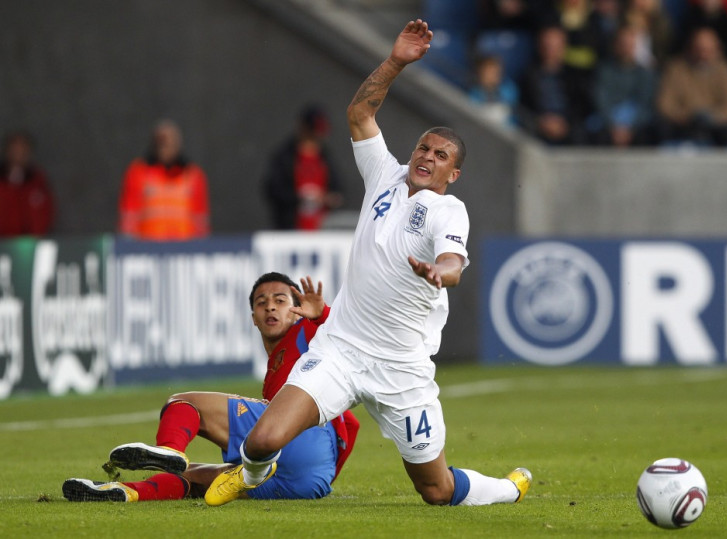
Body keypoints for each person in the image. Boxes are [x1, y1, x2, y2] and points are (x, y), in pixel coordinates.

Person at [205, 19, 531, 509]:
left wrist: (437, 273)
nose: (427, 156)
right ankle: (250, 476)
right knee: (262, 441)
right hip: (341, 348)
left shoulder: (447, 209)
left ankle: (508, 488)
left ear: (453, 173)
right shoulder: (384, 173)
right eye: (424, 146)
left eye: (441, 155)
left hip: (402, 368)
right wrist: (396, 60)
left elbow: (453, 264)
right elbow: (360, 112)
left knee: (436, 491)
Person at [62, 273, 359, 502]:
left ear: (297, 310)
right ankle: (124, 491)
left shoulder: (309, 334)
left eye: (280, 300)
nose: (270, 306)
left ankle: (170, 449)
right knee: (197, 478)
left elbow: (356, 335)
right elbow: (353, 425)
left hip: (305, 444)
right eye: (261, 302)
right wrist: (324, 474)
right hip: (307, 481)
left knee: (184, 403)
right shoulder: (276, 370)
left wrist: (321, 315)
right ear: (253, 319)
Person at [118, 120, 211, 240]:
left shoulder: (193, 175)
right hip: (148, 249)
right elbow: (129, 219)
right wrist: (129, 249)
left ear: (178, 144)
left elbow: (200, 222)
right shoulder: (139, 172)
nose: (165, 147)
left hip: (184, 250)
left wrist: (201, 250)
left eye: (169, 142)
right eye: (160, 142)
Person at [263, 105, 344, 230]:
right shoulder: (285, 157)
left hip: (323, 230)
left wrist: (327, 199)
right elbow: (273, 190)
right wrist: (300, 198)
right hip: (290, 228)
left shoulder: (325, 158)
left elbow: (338, 192)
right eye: (312, 134)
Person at [656, 26, 727, 147]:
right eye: (699, 49)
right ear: (691, 48)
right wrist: (688, 117)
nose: (703, 54)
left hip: (717, 127)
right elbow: (665, 104)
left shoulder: (725, 70)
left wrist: (712, 118)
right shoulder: (676, 68)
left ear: (717, 49)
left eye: (708, 50)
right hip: (682, 125)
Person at [519, 25, 594, 145]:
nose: (550, 49)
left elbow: (583, 106)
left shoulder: (575, 76)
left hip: (568, 126)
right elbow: (523, 106)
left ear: (563, 47)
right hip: (539, 125)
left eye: (555, 46)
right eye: (547, 45)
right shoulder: (529, 75)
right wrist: (541, 121)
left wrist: (565, 123)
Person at [593, 25, 658, 146]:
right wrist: (614, 127)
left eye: (630, 44)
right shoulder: (604, 71)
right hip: (609, 125)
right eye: (622, 43)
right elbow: (601, 100)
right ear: (615, 45)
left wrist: (631, 127)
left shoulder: (646, 74)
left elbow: (646, 104)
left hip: (637, 126)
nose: (626, 48)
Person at [0, 131, 55, 237]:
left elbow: (44, 215)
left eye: (23, 150)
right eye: (15, 150)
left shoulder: (38, 182)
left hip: (29, 243)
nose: (18, 154)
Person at [467, 54, 519, 126]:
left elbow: (511, 112)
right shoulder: (474, 93)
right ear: (480, 73)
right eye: (488, 73)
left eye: (494, 73)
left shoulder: (509, 89)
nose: (491, 77)